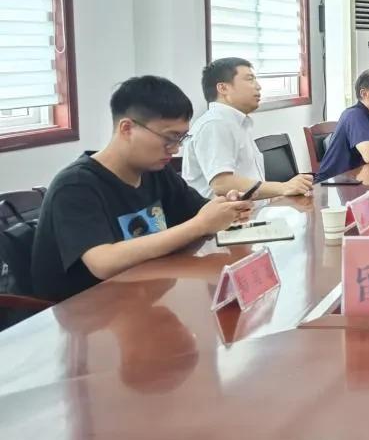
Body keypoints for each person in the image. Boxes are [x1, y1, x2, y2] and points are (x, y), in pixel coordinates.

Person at [31, 76, 252, 302]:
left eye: (181, 138)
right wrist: (200, 225)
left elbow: (199, 211)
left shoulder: (156, 171)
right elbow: (103, 262)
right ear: (127, 128)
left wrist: (226, 209)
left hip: (145, 294)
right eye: (169, 138)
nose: (175, 149)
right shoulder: (76, 186)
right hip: (86, 311)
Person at [182, 57, 314, 199]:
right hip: (226, 213)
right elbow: (222, 183)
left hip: (253, 210)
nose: (258, 86)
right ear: (223, 88)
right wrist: (283, 187)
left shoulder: (235, 123)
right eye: (250, 79)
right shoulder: (215, 124)